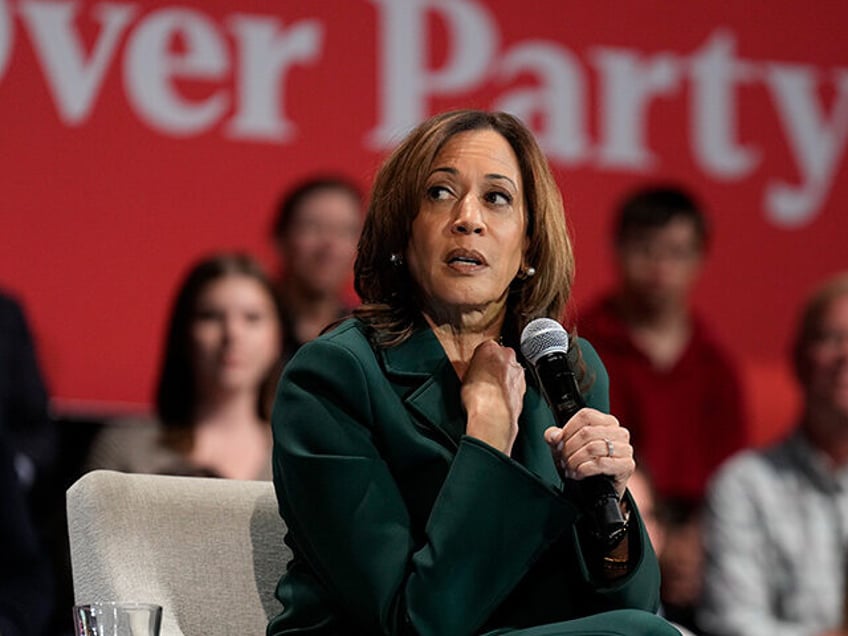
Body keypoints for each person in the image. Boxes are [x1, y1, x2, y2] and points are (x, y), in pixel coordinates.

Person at [268, 110, 678, 635]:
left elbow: (631, 602)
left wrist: (612, 500)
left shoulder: (568, 370)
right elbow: (415, 623)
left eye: (497, 198)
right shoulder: (334, 377)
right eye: (439, 193)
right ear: (403, 231)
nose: (469, 218)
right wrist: (486, 433)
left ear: (527, 243)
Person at [699, 271, 848, 636]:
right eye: (832, 339)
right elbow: (733, 625)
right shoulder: (744, 485)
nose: (846, 355)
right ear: (798, 360)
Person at [578, 185, 747, 505]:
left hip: (703, 531)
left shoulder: (715, 363)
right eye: (645, 249)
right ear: (616, 248)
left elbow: (732, 474)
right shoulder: (581, 346)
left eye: (676, 252)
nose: (660, 267)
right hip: (603, 510)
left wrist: (698, 533)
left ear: (700, 258)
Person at [86, 253, 283, 480]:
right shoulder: (126, 450)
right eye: (211, 316)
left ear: (277, 337)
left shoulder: (301, 458)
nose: (232, 334)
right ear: (185, 334)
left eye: (252, 318)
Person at [270, 176, 363, 360]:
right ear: (281, 238)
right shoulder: (247, 331)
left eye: (344, 231)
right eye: (312, 228)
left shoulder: (369, 340)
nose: (329, 246)